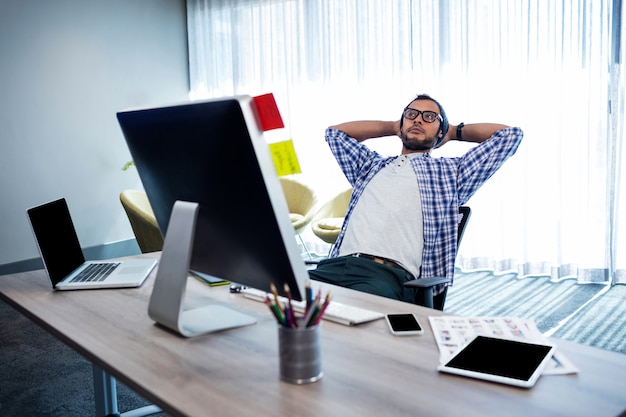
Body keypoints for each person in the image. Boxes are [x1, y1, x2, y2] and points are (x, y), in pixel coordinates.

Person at [308, 94, 523, 307]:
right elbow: (335, 134)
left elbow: (510, 136)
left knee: (351, 321)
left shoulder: (451, 174)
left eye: (429, 117)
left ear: (440, 130)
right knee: (280, 297)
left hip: (384, 276)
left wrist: (453, 131)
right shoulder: (370, 166)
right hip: (333, 266)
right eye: (411, 114)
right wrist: (395, 126)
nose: (418, 120)